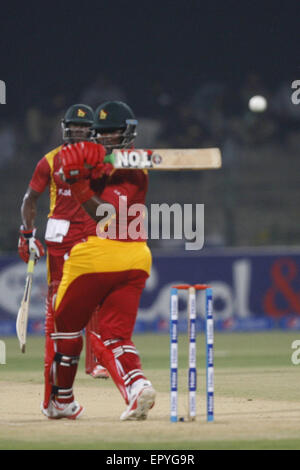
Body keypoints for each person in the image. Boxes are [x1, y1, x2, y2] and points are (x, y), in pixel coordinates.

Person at [41, 101, 156, 421]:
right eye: (103, 133)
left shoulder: (129, 167)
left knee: (64, 329)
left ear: (126, 133)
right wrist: (80, 170)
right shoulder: (135, 163)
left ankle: (60, 400)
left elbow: (103, 214)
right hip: (136, 259)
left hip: (94, 257)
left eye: (112, 132)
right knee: (114, 334)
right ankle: (137, 387)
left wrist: (76, 181)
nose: (107, 138)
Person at [18, 103, 109, 412]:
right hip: (61, 242)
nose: (79, 132)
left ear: (92, 131)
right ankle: (52, 399)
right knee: (56, 321)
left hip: (93, 236)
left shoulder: (101, 158)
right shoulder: (50, 160)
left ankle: (97, 363)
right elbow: (30, 199)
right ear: (65, 128)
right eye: (74, 127)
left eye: (85, 128)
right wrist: (26, 233)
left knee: (99, 301)